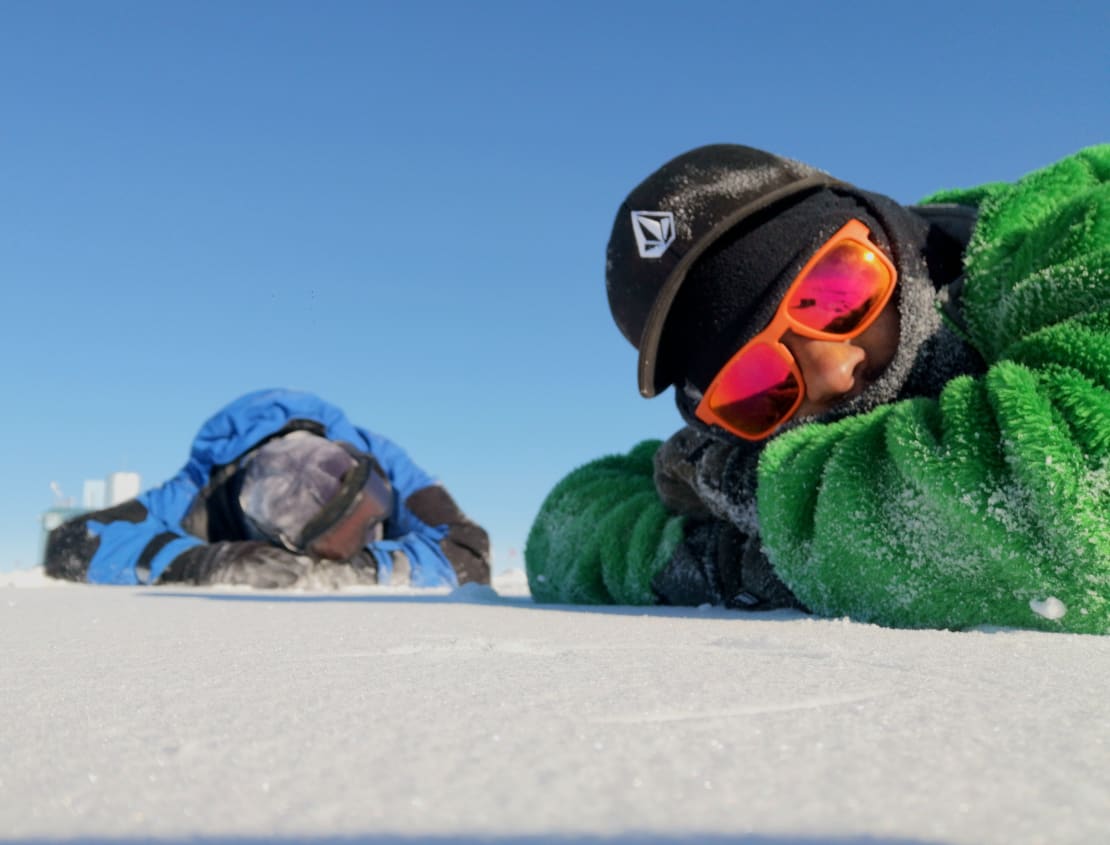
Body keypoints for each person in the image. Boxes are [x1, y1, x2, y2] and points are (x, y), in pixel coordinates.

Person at [525, 143, 1109, 634]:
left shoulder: (1075, 238)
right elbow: (565, 527)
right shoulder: (759, 439)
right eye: (755, 382)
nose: (833, 371)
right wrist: (720, 562)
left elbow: (1075, 517)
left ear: (889, 236)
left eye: (837, 294)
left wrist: (768, 526)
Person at [45, 388, 490, 589]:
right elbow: (73, 543)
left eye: (371, 501)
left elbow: (468, 548)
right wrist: (205, 562)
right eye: (340, 539)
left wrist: (361, 568)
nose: (373, 527)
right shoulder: (194, 493)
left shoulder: (380, 456)